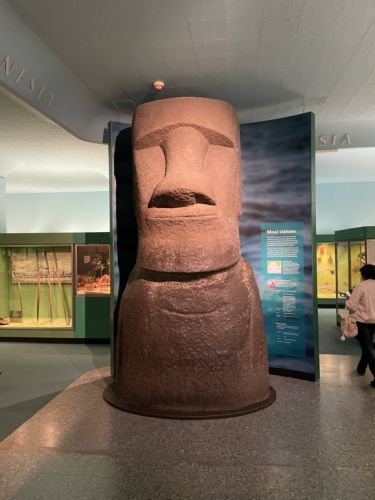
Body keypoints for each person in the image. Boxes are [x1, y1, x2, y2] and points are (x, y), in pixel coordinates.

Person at [346, 264, 375, 387]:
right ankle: (361, 369)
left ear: (364, 275)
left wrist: (348, 299)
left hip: (362, 321)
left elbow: (351, 305)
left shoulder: (361, 286)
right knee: (366, 346)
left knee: (367, 349)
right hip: (374, 321)